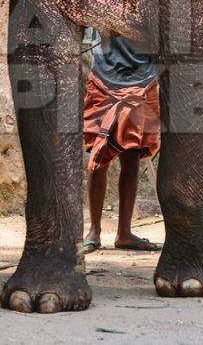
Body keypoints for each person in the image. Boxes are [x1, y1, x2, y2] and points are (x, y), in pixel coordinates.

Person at [81, 28, 162, 253]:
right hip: (103, 80)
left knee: (132, 158)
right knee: (97, 157)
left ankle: (124, 233)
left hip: (141, 80)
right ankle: (94, 231)